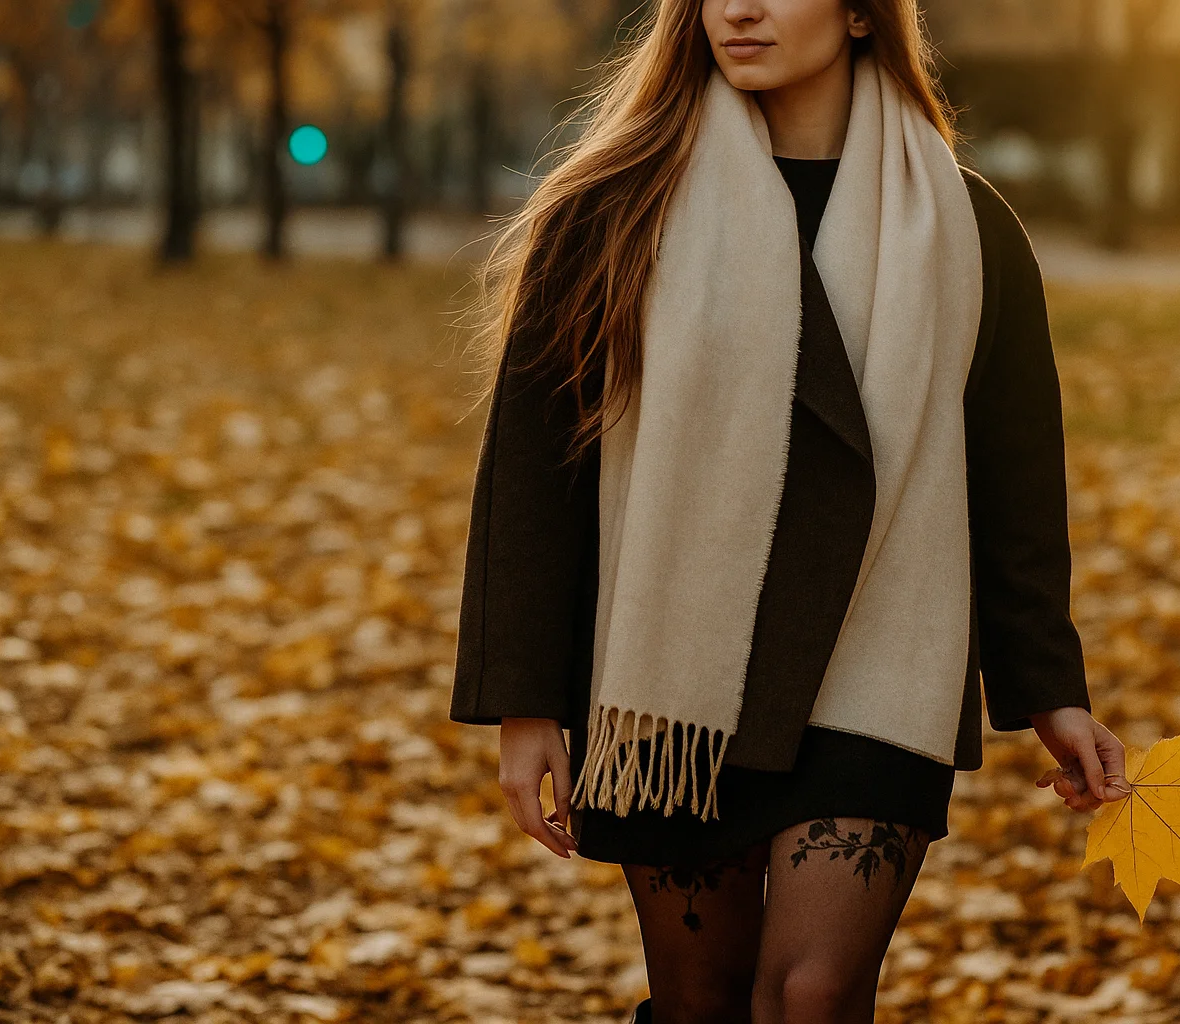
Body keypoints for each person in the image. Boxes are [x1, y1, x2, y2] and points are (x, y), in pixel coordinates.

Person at [448, 2, 1130, 1022]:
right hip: (675, 681)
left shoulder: (961, 223)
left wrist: (1049, 687)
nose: (740, 6)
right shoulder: (614, 210)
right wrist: (524, 702)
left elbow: (1015, 469)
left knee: (811, 994)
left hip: (880, 654)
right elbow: (538, 472)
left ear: (862, 13)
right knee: (703, 1004)